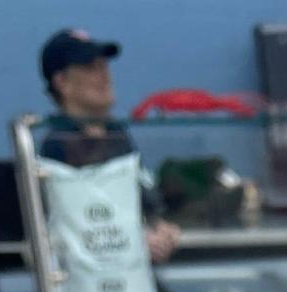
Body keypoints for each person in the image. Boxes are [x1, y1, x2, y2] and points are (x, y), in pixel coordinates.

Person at [37, 28, 180, 263]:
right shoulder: (57, 145)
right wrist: (133, 239)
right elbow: (70, 230)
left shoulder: (118, 135)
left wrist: (162, 229)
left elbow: (146, 204)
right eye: (90, 68)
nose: (104, 76)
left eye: (104, 66)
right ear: (61, 82)